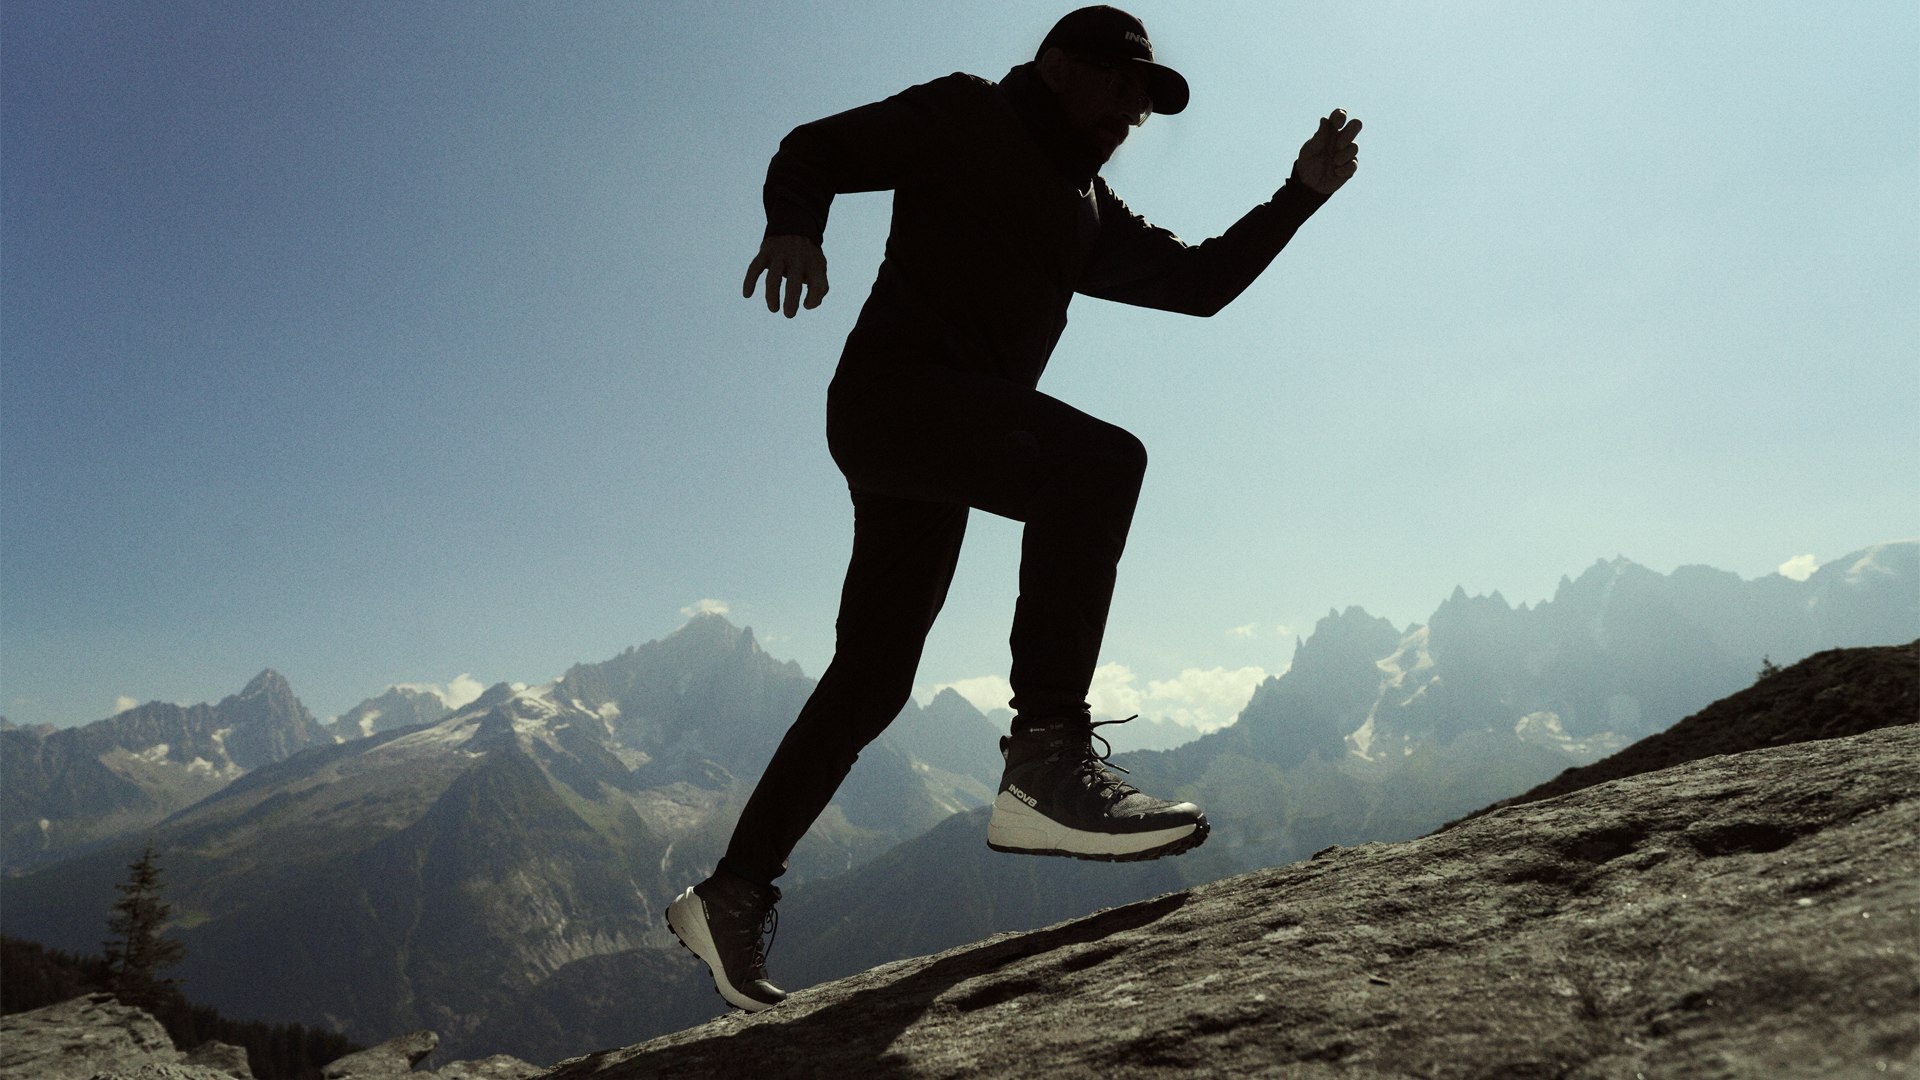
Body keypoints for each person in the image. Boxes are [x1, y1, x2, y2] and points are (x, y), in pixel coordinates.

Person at [667, 5, 1360, 1013]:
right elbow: (814, 148)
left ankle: (729, 895)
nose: (1133, 114)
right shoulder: (965, 115)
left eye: (1146, 102)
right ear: (1058, 68)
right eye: (1121, 89)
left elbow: (1202, 283)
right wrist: (795, 227)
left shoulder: (1087, 206)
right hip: (895, 401)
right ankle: (1044, 757)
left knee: (871, 680)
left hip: (939, 439)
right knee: (1100, 466)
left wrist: (1299, 196)